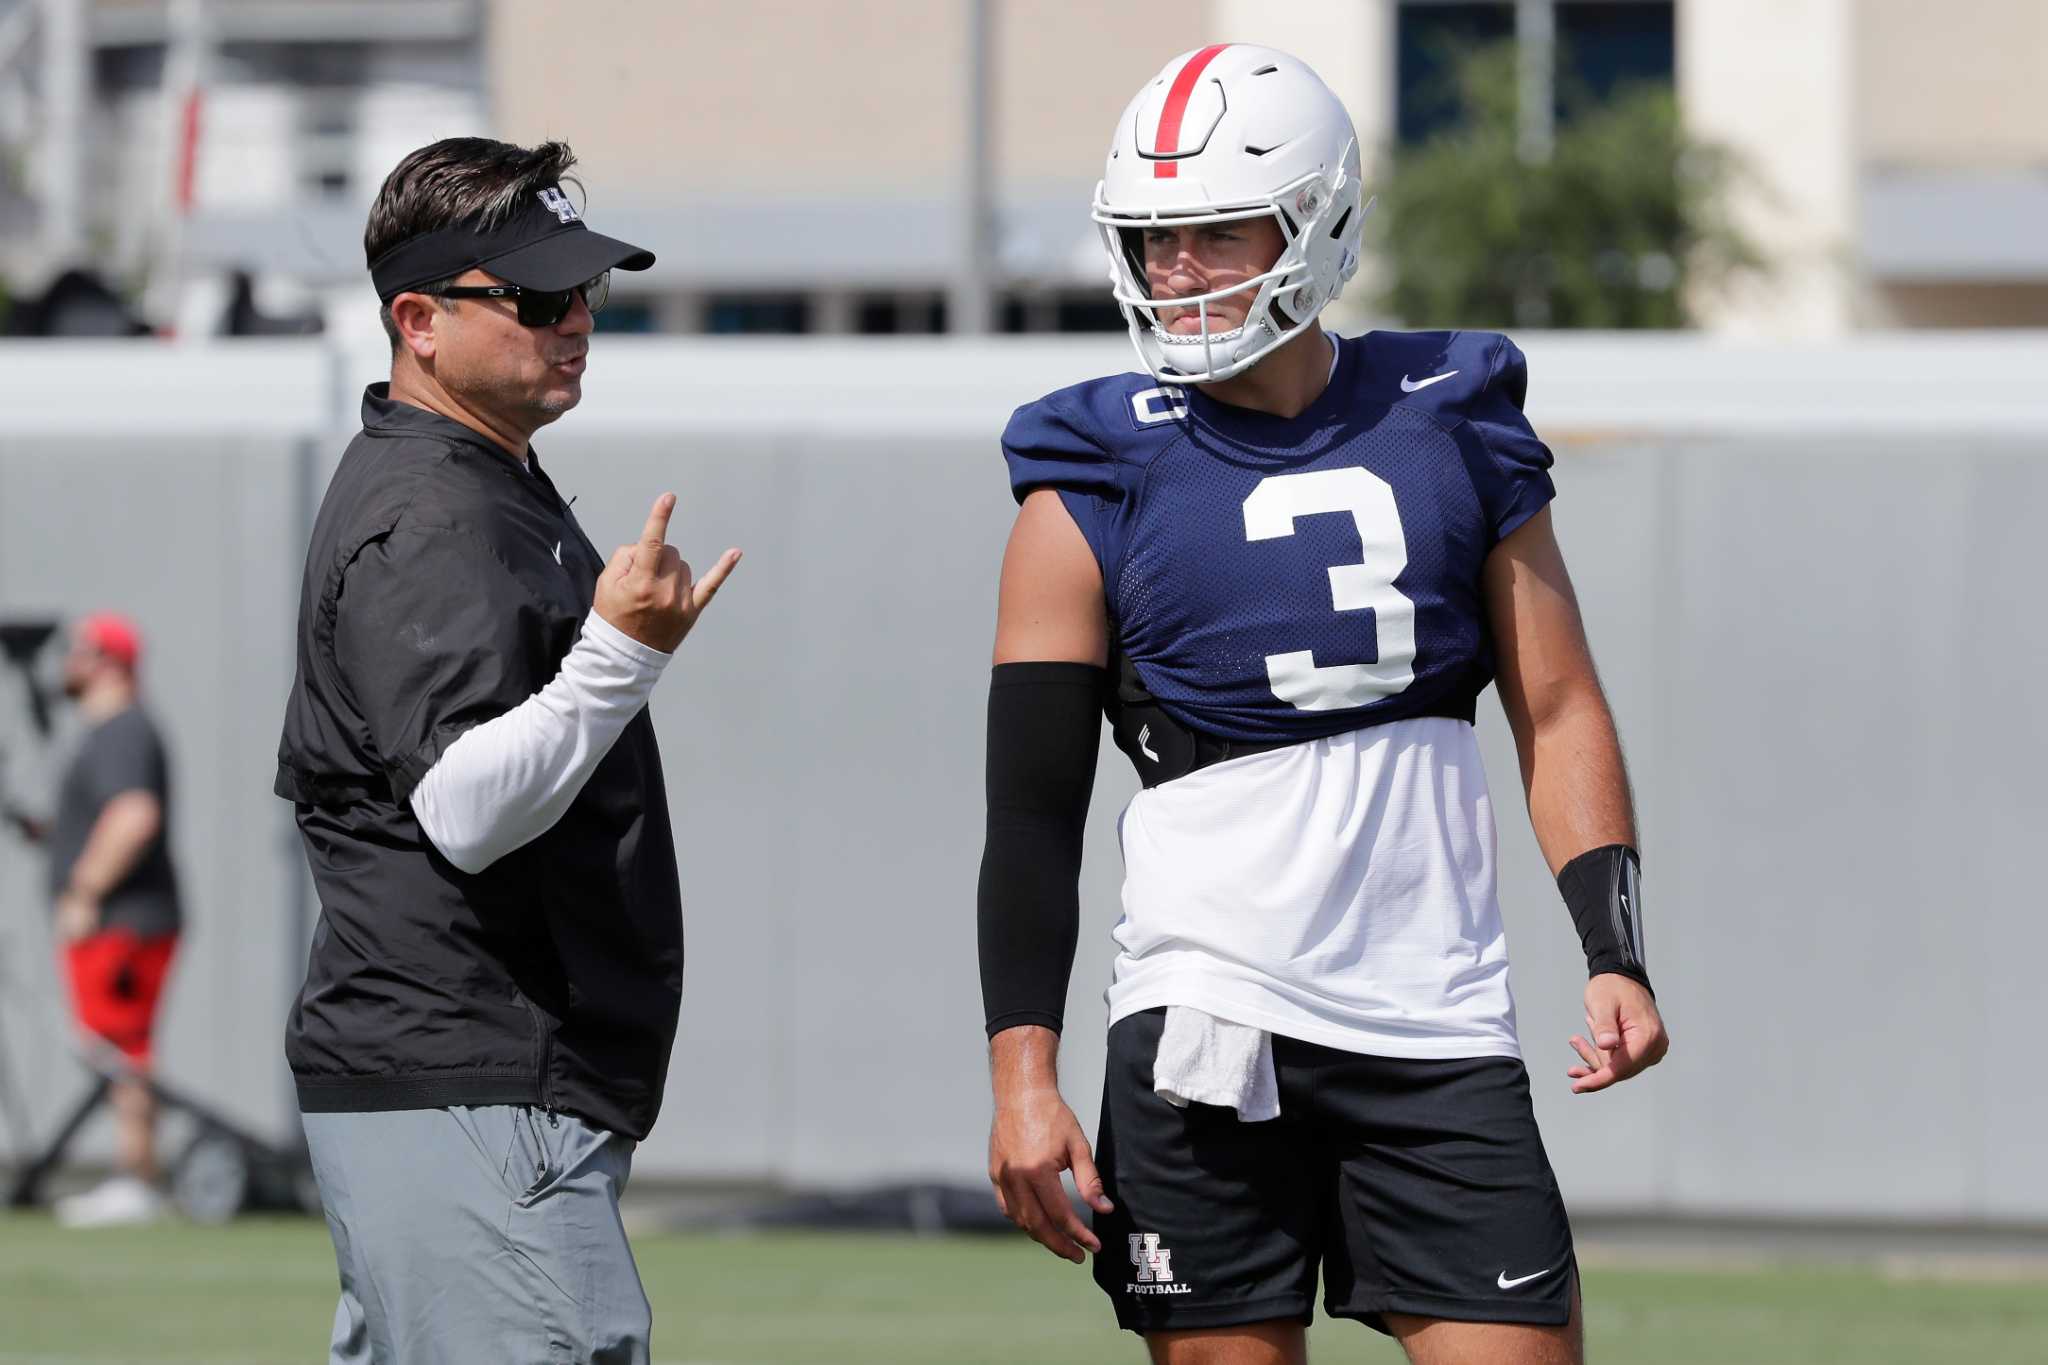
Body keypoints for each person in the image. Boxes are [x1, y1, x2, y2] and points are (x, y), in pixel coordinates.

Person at [978, 46, 1668, 1365]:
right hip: (1204, 1022)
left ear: (1320, 219)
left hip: (1435, 1024)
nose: (1175, 269)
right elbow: (1029, 811)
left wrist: (1614, 945)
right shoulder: (1088, 473)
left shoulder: (1452, 416)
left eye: (1211, 231)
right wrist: (1022, 1076)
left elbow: (1559, 702)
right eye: (1151, 237)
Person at [274, 137, 739, 1364]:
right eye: (534, 299)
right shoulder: (435, 512)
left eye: (586, 291)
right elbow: (466, 806)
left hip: (457, 1086)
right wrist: (619, 656)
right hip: (466, 1079)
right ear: (417, 321)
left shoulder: (474, 484)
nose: (574, 320)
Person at [40, 612, 182, 1228]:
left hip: (123, 919)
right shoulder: (109, 733)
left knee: (123, 1049)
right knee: (114, 1048)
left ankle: (138, 1178)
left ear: (107, 662)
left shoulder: (123, 730)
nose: (68, 663)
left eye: (79, 652)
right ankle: (137, 1177)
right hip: (122, 916)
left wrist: (83, 887)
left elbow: (133, 816)